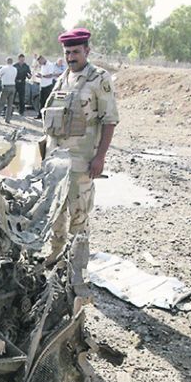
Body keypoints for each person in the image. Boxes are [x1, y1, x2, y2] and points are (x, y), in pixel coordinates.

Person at [41, 28, 119, 300]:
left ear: (87, 50)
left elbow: (109, 120)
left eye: (76, 52)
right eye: (67, 52)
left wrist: (100, 157)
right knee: (55, 212)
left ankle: (77, 272)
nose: (71, 57)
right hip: (56, 163)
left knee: (79, 216)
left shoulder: (99, 79)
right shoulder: (63, 78)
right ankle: (55, 255)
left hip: (81, 162)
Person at [0, 57, 17, 124]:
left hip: (6, 87)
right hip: (13, 87)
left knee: (1, 104)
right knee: (10, 105)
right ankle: (8, 119)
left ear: (6, 61)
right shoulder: (15, 69)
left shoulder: (4, 68)